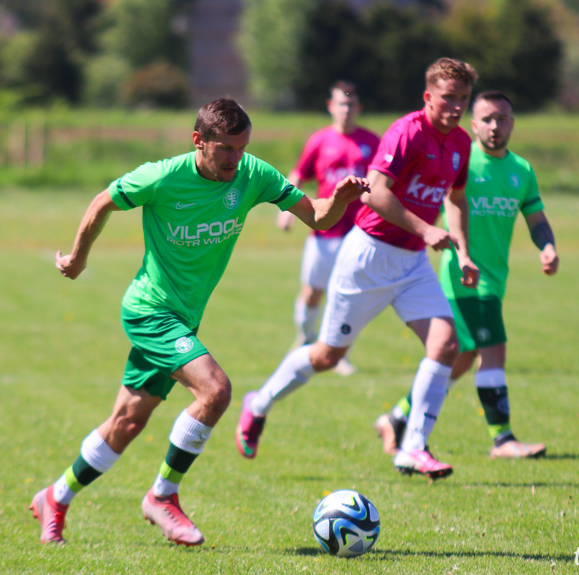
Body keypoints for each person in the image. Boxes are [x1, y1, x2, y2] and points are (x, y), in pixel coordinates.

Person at [29, 98, 370, 546]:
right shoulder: (163, 176)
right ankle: (162, 496)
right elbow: (102, 203)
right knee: (216, 390)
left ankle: (54, 498)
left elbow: (318, 216)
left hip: (183, 318)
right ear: (199, 141)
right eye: (226, 148)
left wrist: (340, 200)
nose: (235, 158)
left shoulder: (254, 175)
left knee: (127, 422)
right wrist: (77, 259)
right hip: (150, 311)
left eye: (242, 147)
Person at [235, 58, 480, 480]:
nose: (456, 107)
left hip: (411, 264)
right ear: (428, 97)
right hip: (368, 257)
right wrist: (425, 229)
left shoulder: (461, 142)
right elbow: (374, 195)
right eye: (448, 98)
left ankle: (413, 447)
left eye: (463, 99)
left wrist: (462, 250)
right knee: (328, 356)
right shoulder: (407, 133)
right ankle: (258, 404)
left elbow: (456, 198)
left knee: (445, 344)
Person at [374, 90, 559, 460]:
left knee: (459, 357)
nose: (495, 126)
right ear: (473, 124)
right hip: (464, 276)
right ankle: (503, 440)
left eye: (502, 118)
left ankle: (396, 417)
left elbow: (536, 218)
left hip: (496, 279)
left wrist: (547, 246)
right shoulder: (461, 162)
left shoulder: (521, 170)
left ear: (512, 124)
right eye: (487, 119)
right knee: (493, 351)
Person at [277, 80, 380, 376]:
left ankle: (336, 351)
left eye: (351, 104)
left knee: (345, 294)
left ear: (358, 108)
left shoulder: (372, 142)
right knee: (312, 292)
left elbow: (384, 183)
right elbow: (298, 174)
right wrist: (286, 210)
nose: (345, 110)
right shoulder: (320, 140)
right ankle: (305, 339)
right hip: (323, 233)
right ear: (330, 106)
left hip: (358, 234)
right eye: (340, 104)